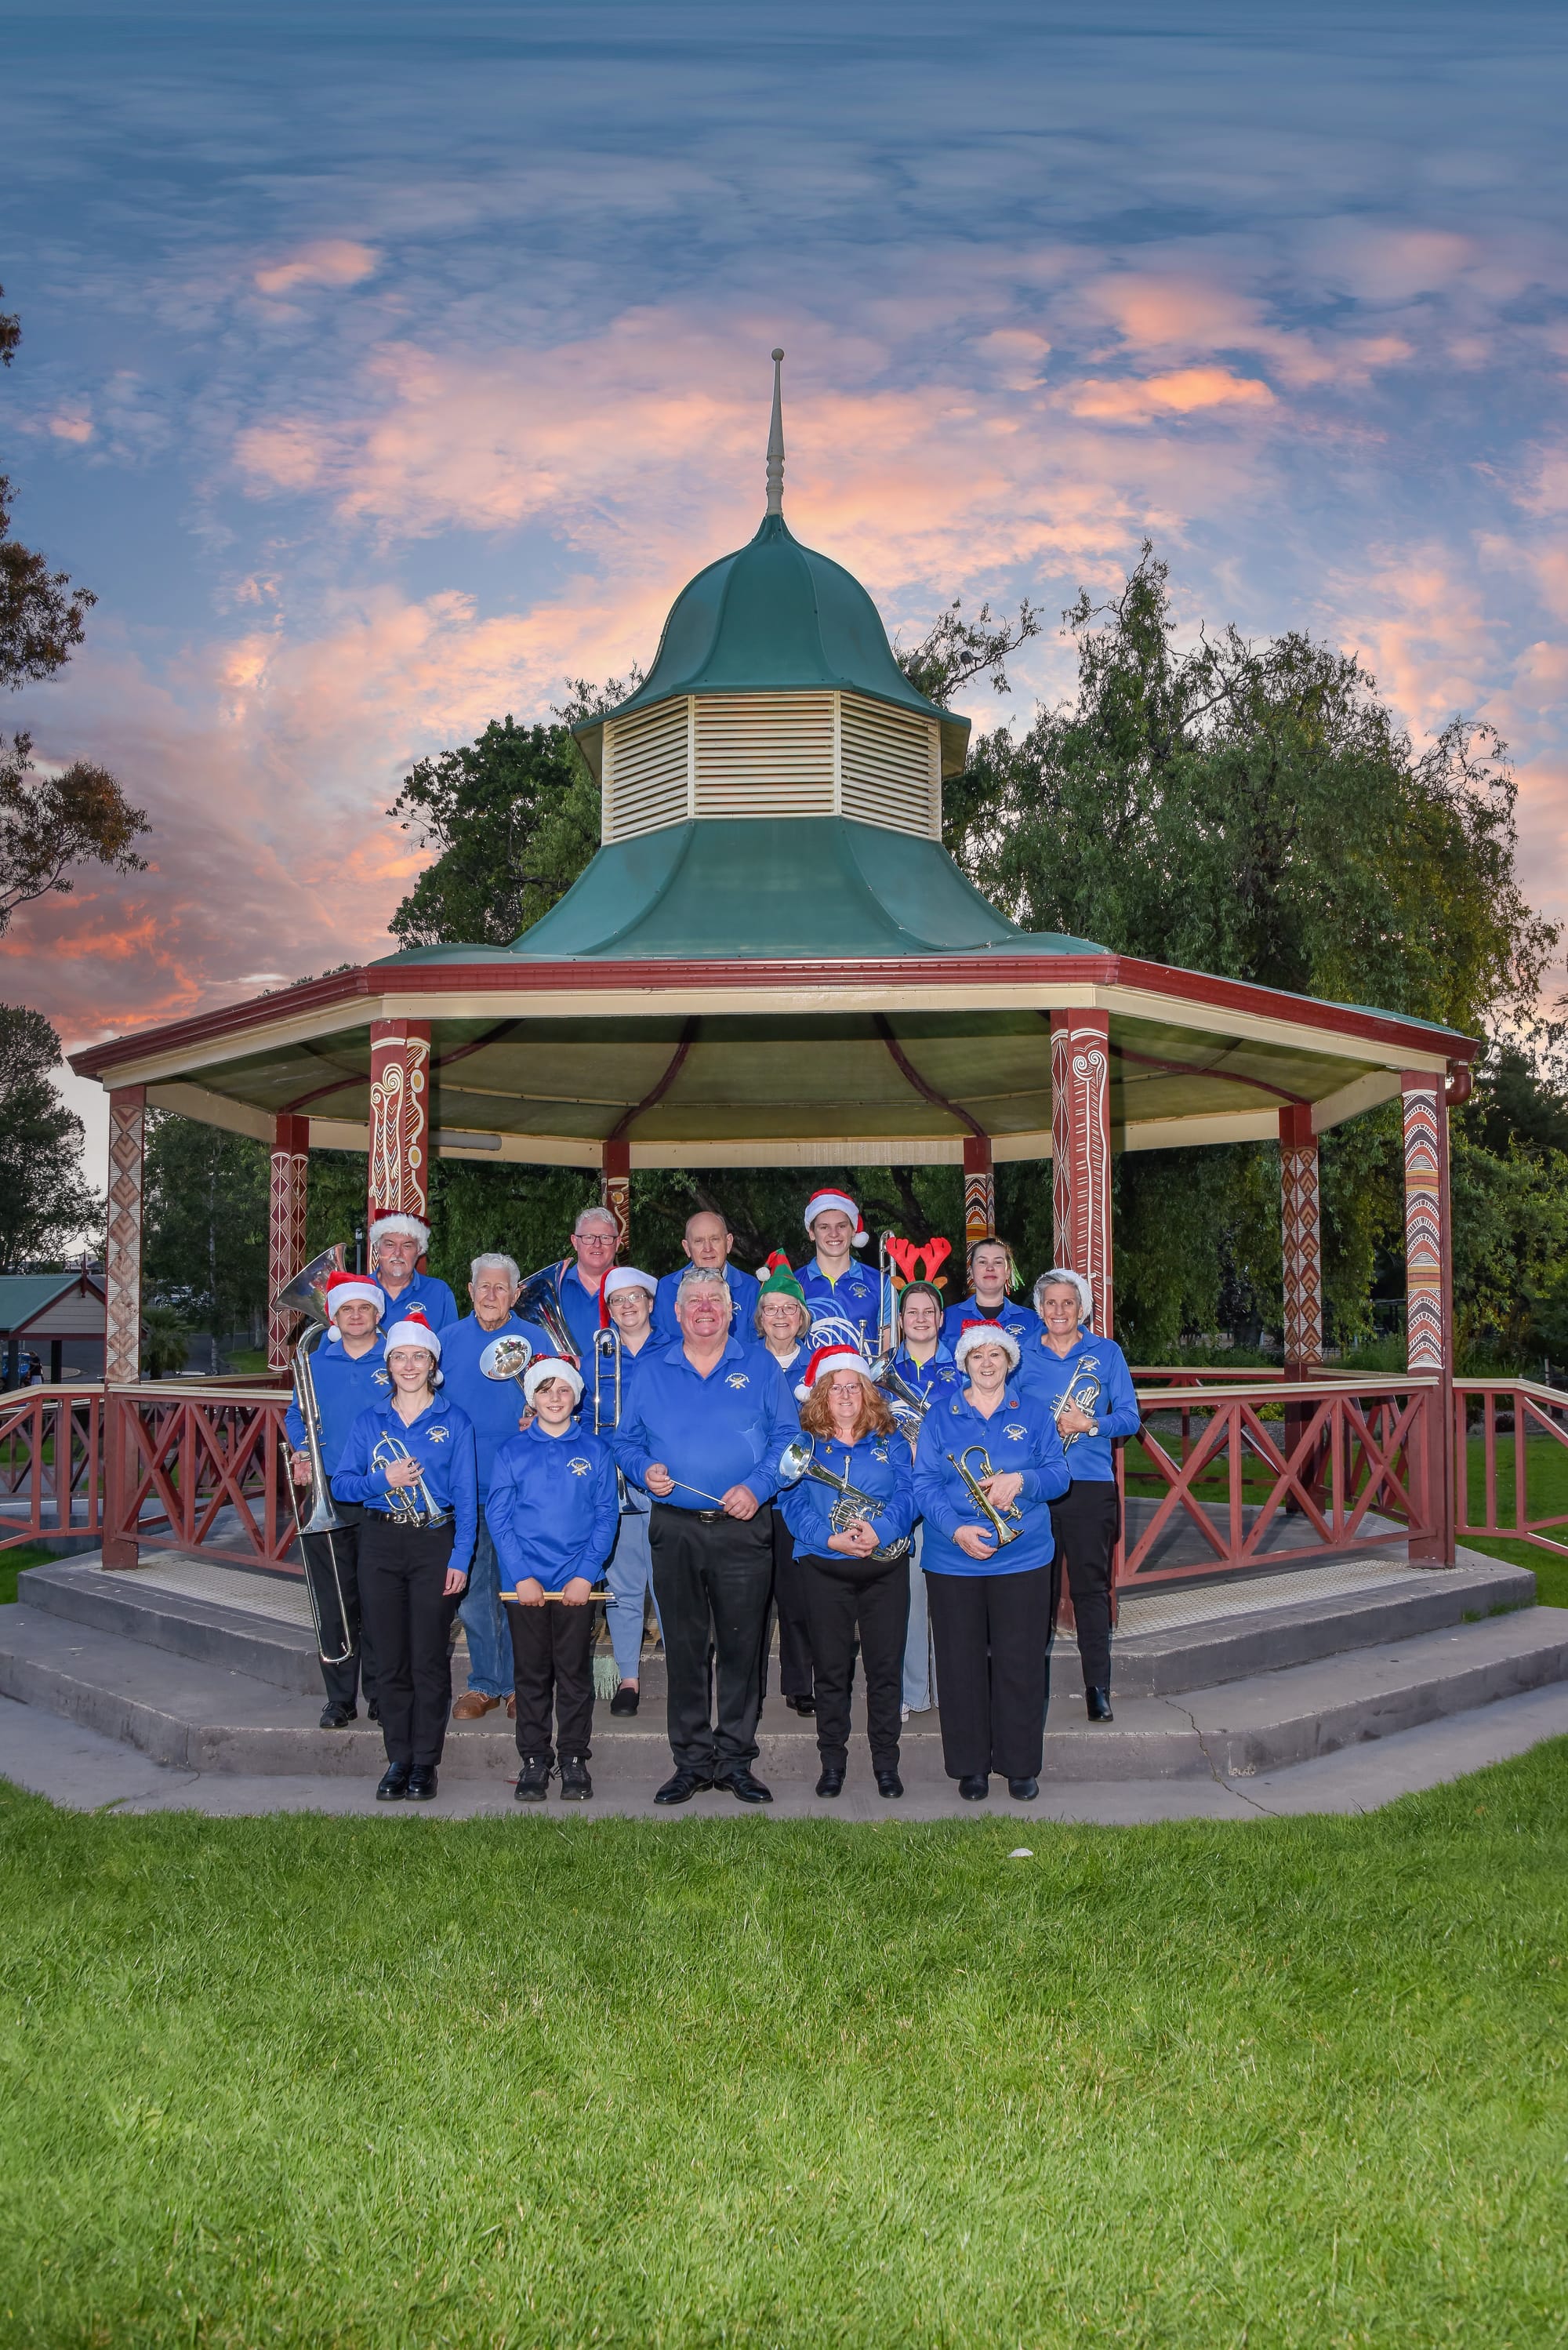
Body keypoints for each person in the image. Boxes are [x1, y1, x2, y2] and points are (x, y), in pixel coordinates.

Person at [610, 1265, 797, 1806]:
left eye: (715, 1299)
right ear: (677, 1311)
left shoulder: (759, 1365)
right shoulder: (652, 1369)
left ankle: (735, 1760)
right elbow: (625, 1442)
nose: (706, 1308)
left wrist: (758, 1487)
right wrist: (642, 1470)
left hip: (744, 1529)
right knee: (684, 1648)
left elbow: (790, 1440)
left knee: (743, 1647)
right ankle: (691, 1762)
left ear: (732, 1309)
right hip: (675, 1529)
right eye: (694, 1300)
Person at [913, 1319, 1070, 1803]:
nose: (986, 1363)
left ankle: (1019, 1765)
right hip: (953, 1558)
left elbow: (1059, 1475)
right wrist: (955, 1529)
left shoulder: (1035, 1413)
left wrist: (1021, 1482)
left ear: (1009, 1362)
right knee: (959, 1664)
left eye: (995, 1354)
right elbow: (924, 1484)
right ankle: (970, 1767)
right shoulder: (940, 1416)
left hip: (1023, 1557)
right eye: (977, 1355)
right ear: (964, 1363)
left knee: (1021, 1662)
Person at [332, 1308, 476, 1803]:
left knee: (428, 1656)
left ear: (432, 1363)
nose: (409, 1366)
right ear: (388, 1363)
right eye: (400, 1357)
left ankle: (425, 1761)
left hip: (435, 1541)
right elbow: (343, 1485)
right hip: (380, 1542)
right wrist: (382, 1480)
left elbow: (467, 1497)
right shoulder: (369, 1420)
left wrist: (460, 1557)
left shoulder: (454, 1420)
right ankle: (398, 1757)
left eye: (419, 1357)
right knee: (388, 1655)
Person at [775, 1346, 916, 1799]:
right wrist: (829, 1539)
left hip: (884, 1567)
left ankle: (886, 1765)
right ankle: (832, 1763)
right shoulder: (805, 1444)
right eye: (836, 1388)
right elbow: (792, 1504)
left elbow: (910, 1494)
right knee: (831, 1672)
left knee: (885, 1672)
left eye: (854, 1386)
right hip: (825, 1568)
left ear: (867, 1392)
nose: (846, 1395)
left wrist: (881, 1530)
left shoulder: (891, 1439)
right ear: (822, 1395)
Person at [487, 1357, 619, 1803]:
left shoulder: (596, 1450)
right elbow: (499, 1518)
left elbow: (606, 1516)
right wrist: (521, 1575)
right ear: (532, 1398)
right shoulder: (512, 1452)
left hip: (575, 1583)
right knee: (531, 1674)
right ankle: (534, 1759)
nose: (555, 1398)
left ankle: (574, 1756)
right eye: (545, 1390)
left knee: (574, 1673)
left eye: (564, 1390)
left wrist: (586, 1574)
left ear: (576, 1397)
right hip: (524, 1584)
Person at [1014, 1268, 1142, 1723]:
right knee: (1035, 1589)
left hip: (1089, 1485)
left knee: (1091, 1589)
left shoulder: (1106, 1353)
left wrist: (1089, 1425)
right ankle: (1027, 1688)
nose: (1059, 1311)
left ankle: (1097, 1689)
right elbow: (1007, 1412)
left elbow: (1130, 1417)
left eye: (1068, 1302)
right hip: (1038, 1486)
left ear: (1082, 1309)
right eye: (1050, 1303)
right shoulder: (1021, 1355)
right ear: (1039, 1309)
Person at [440, 1255, 557, 1723]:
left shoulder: (537, 1340)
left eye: (501, 1288)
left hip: (522, 1488)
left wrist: (539, 1417)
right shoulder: (446, 1342)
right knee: (474, 1594)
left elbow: (559, 1400)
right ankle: (484, 1683)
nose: (491, 1295)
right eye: (483, 1287)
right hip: (465, 1487)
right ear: (470, 1292)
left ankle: (518, 1685)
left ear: (515, 1294)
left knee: (519, 1589)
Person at [284, 1268, 391, 1729]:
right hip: (329, 1492)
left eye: (365, 1307)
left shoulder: (398, 1356)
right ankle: (339, 1698)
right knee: (334, 1600)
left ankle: (382, 1693)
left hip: (384, 1493)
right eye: (347, 1308)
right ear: (334, 1315)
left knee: (380, 1597)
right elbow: (296, 1415)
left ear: (377, 1314)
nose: (356, 1315)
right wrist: (303, 1449)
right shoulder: (315, 1362)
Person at [885, 1278, 962, 1719]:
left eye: (928, 1311)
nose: (920, 1319)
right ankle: (912, 1692)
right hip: (901, 1495)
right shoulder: (880, 1372)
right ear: (900, 1320)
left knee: (954, 1601)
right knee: (909, 1601)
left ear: (940, 1318)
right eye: (911, 1312)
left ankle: (956, 1692)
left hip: (952, 1496)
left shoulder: (965, 1367)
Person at [596, 1265, 663, 1714]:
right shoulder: (598, 1354)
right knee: (621, 1584)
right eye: (617, 1300)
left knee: (670, 1583)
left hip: (665, 1481)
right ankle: (628, 1679)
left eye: (635, 1297)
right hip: (614, 1483)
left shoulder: (676, 1349)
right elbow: (586, 1416)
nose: (627, 1306)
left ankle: (686, 1674)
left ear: (651, 1303)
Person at [752, 1260, 816, 1715]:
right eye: (771, 1308)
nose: (780, 1316)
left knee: (798, 1599)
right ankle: (748, 1687)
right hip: (751, 1499)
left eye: (789, 1308)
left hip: (799, 1498)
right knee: (749, 1601)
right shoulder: (741, 1361)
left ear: (802, 1316)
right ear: (760, 1317)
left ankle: (800, 1682)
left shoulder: (820, 1366)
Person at [653, 1210, 760, 1344]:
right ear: (687, 1248)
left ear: (728, 1243)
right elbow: (657, 1343)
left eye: (715, 1239)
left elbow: (759, 1343)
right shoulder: (665, 1288)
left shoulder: (751, 1288)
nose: (708, 1248)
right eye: (699, 1241)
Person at [794, 1188, 880, 1354]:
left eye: (841, 1226)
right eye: (824, 1227)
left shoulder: (881, 1282)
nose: (834, 1234)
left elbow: (888, 1349)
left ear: (853, 1230)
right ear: (811, 1233)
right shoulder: (793, 1283)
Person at [528, 1204, 620, 1360]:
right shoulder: (548, 1291)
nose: (597, 1244)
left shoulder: (636, 1290)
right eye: (588, 1237)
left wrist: (583, 1365)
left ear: (617, 1243)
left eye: (605, 1238)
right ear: (575, 1242)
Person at [941, 1236, 1041, 1350]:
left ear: (1008, 1272)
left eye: (997, 1262)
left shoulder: (1032, 1320)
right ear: (971, 1272)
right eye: (982, 1262)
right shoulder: (947, 1318)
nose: (990, 1268)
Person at [370, 1213, 458, 1334]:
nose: (397, 1253)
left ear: (419, 1250)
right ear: (377, 1247)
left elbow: (451, 1342)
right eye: (390, 1245)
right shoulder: (359, 1290)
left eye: (407, 1246)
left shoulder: (439, 1292)